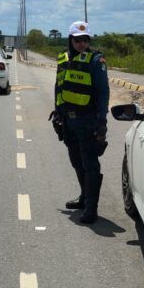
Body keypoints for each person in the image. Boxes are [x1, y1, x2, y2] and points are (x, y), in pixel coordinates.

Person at [50, 21, 109, 224]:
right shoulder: (63, 58)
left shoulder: (96, 60)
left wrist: (102, 120)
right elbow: (59, 86)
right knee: (76, 160)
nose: (81, 44)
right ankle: (84, 197)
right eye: (77, 40)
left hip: (88, 120)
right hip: (68, 120)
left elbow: (103, 92)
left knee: (90, 162)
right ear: (71, 40)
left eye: (85, 40)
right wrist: (57, 112)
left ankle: (91, 207)